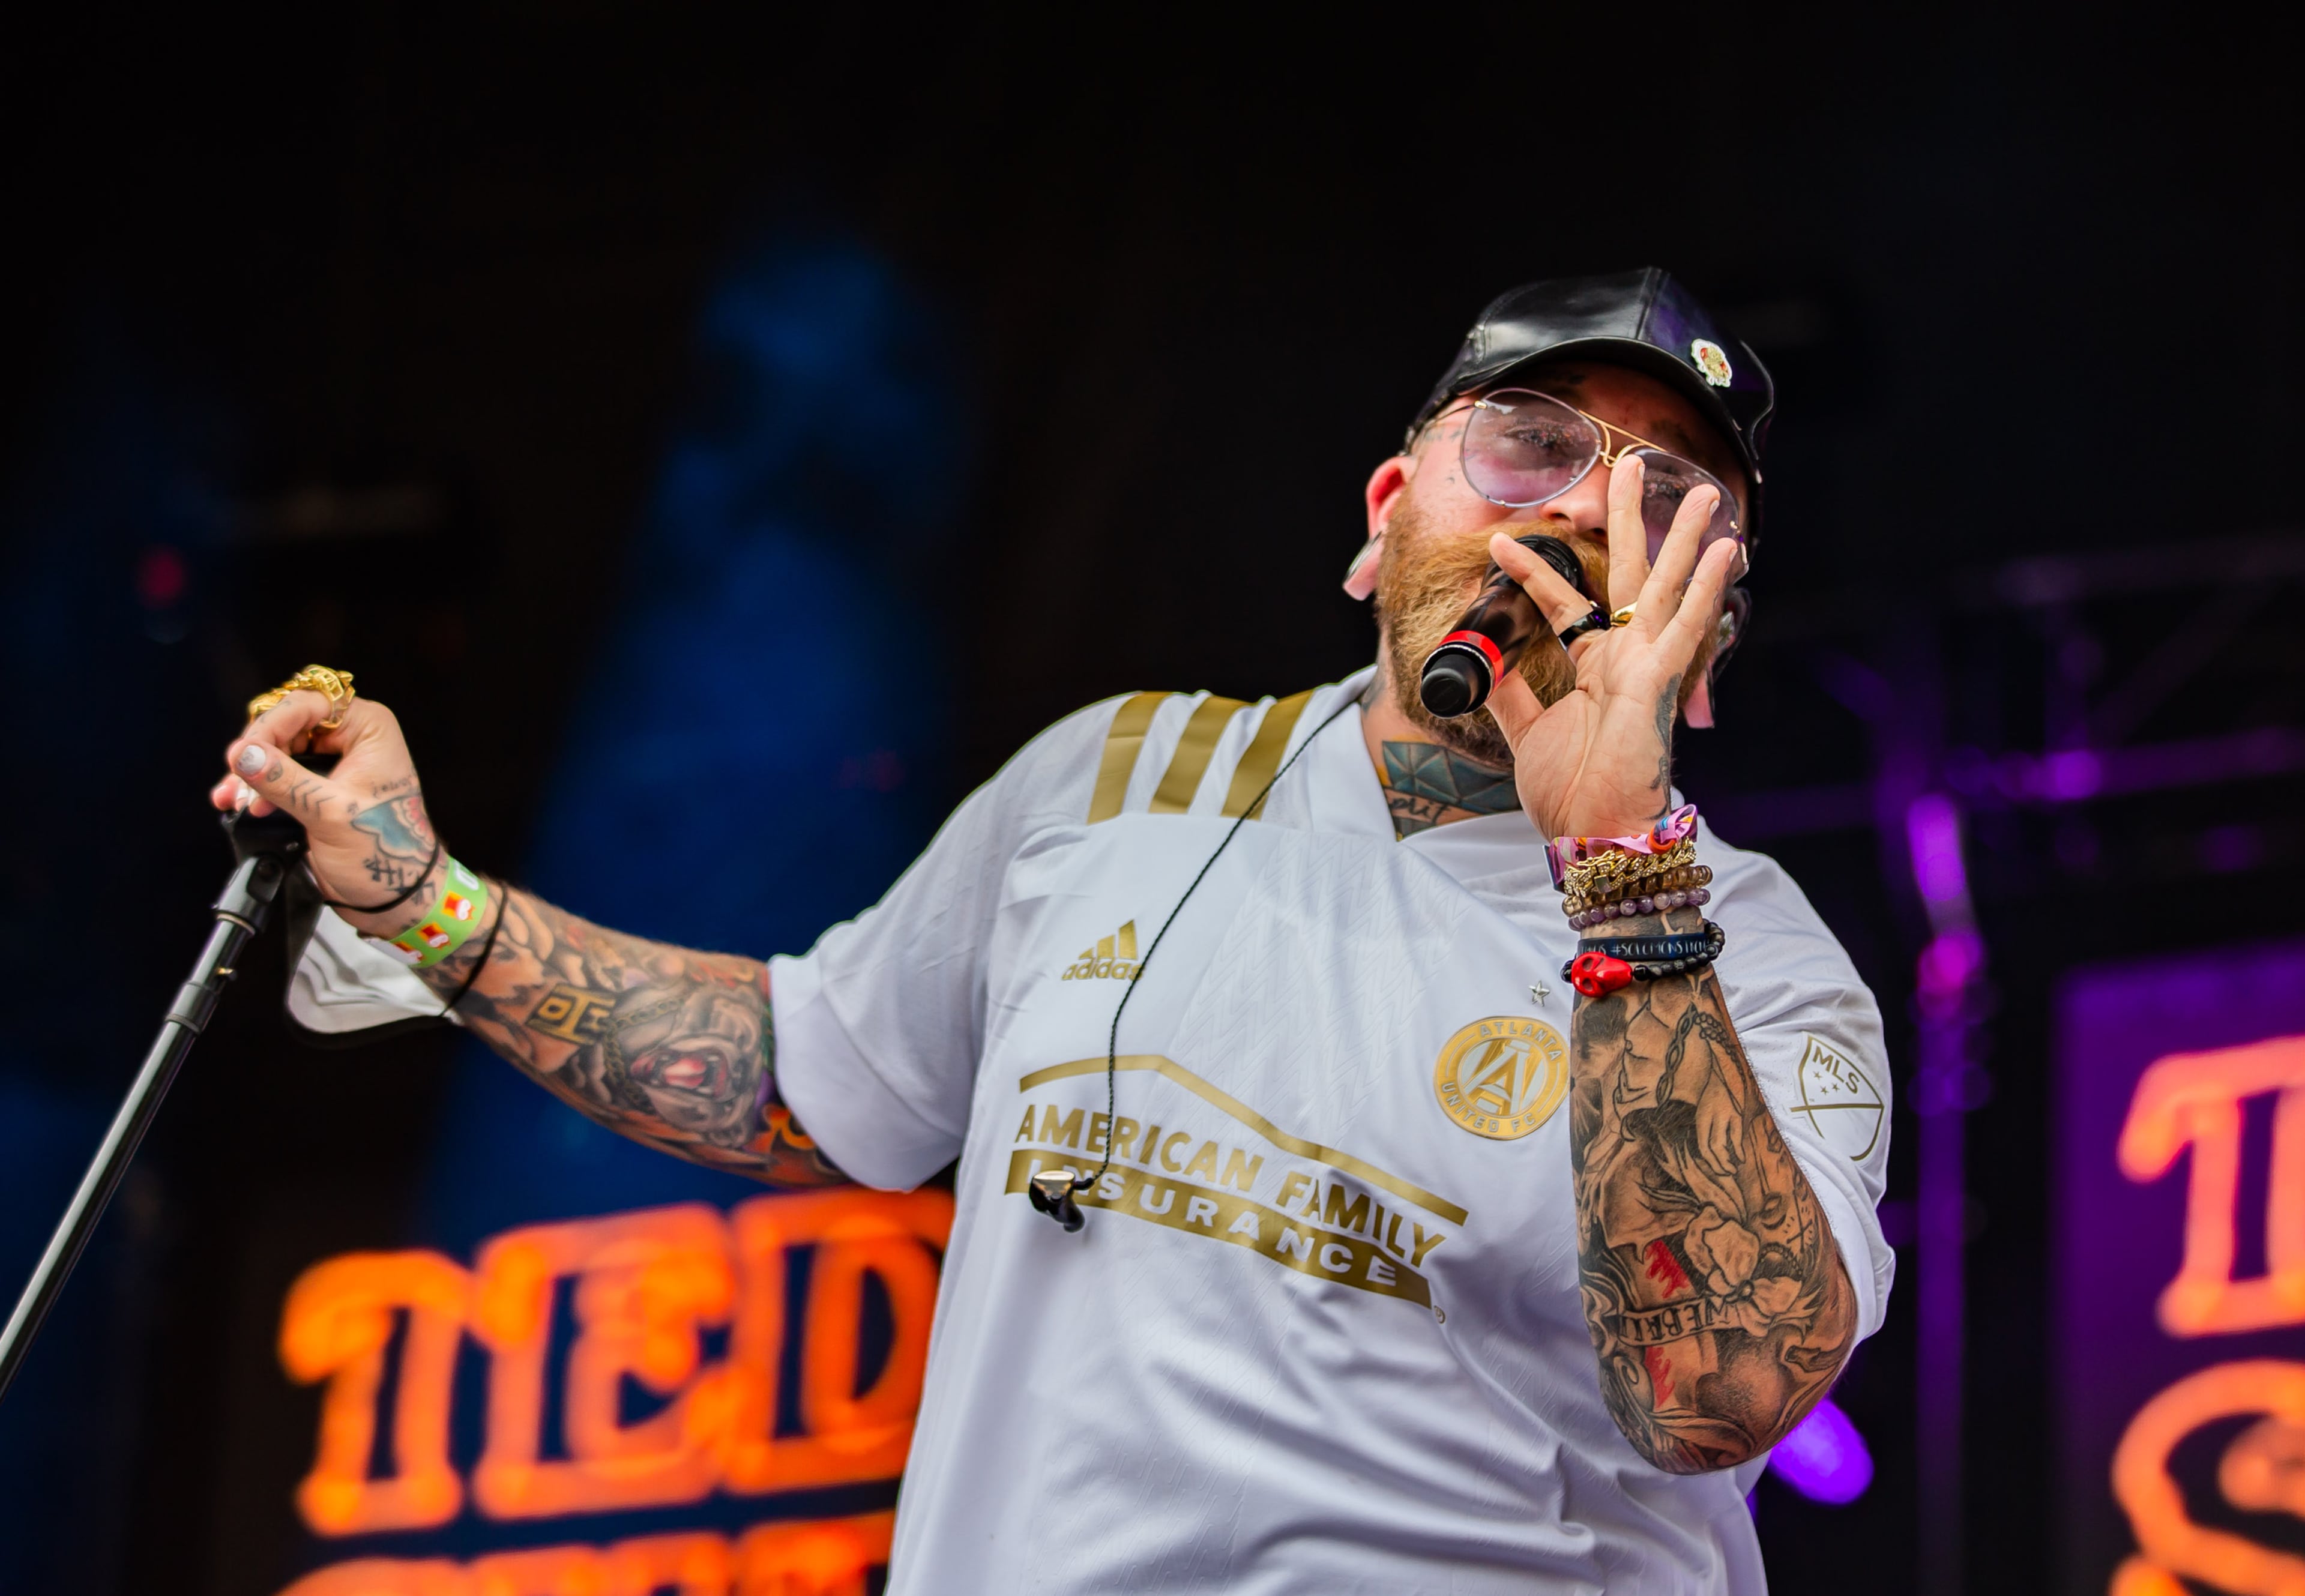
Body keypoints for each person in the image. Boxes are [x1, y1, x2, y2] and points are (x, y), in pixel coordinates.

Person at [214, 268, 1893, 1593]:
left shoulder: (1758, 956)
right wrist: (423, 898)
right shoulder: (1121, 776)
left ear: (1709, 649)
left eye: (1668, 503)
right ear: (1388, 510)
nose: (1584, 511)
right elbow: (799, 1072)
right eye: (1529, 442)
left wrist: (1616, 860)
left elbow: (1718, 1394)